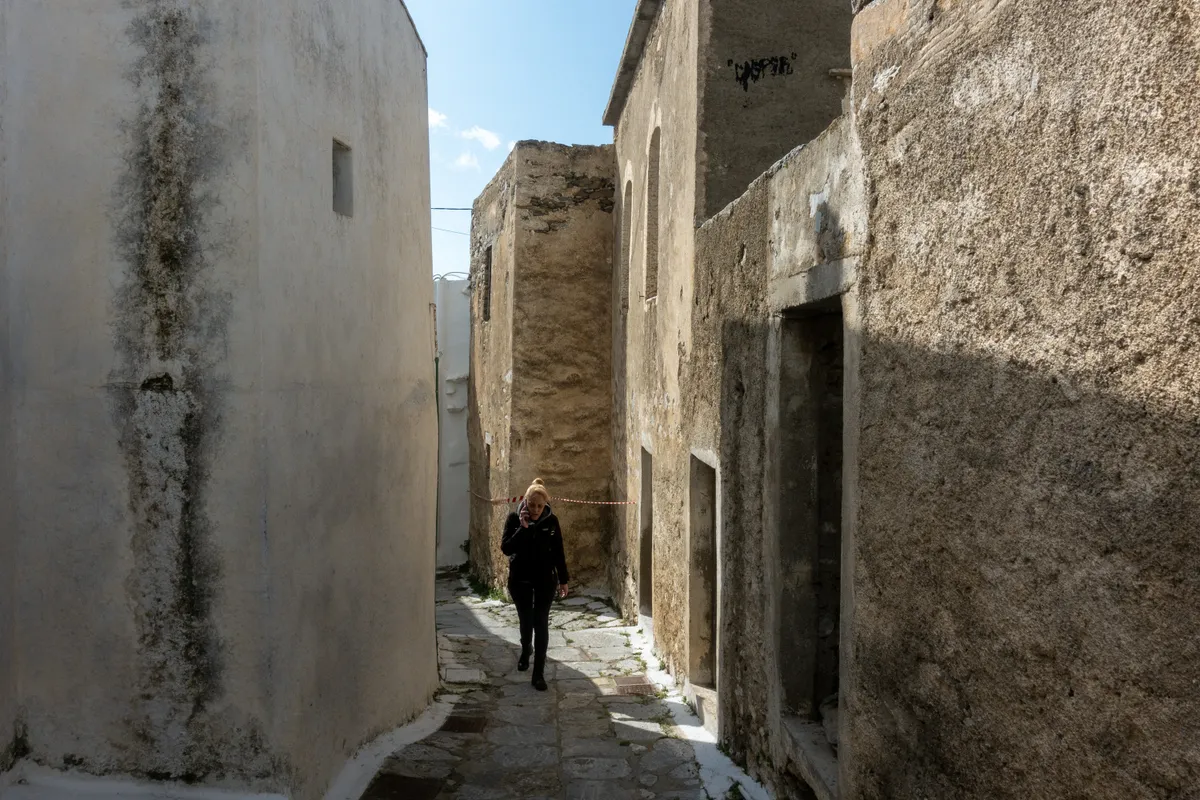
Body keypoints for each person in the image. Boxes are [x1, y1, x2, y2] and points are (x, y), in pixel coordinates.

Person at [501, 478, 569, 691]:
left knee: (541, 623)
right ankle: (524, 650)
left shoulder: (551, 521)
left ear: (545, 504)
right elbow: (506, 548)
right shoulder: (514, 519)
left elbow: (558, 551)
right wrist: (522, 528)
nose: (536, 510)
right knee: (526, 621)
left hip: (545, 579)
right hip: (520, 578)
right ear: (526, 502)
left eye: (540, 506)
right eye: (532, 505)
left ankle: (538, 673)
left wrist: (564, 580)